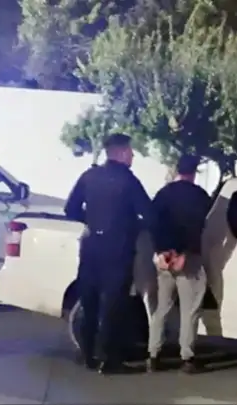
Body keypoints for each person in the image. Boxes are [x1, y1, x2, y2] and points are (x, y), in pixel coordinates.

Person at [64, 133, 153, 373]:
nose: (133, 156)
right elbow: (149, 214)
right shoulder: (128, 181)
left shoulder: (89, 176)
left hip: (91, 247)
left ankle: (88, 355)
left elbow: (70, 209)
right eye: (131, 151)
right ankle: (110, 360)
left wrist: (92, 221)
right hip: (118, 250)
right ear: (121, 152)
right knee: (113, 306)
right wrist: (132, 226)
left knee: (89, 302)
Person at [146, 155, 212, 374]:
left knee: (161, 308)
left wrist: (162, 251)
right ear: (194, 172)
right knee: (190, 309)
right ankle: (187, 357)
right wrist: (184, 253)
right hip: (188, 260)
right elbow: (198, 226)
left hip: (164, 259)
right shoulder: (200, 196)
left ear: (176, 170)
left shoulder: (163, 194)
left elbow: (153, 224)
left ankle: (153, 355)